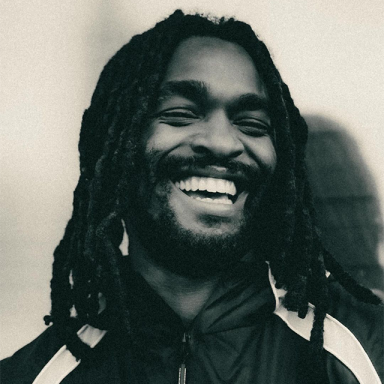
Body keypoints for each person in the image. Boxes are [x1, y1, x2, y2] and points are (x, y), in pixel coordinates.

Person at [1, 10, 382, 384]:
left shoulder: (367, 353)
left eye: (251, 124)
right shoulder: (34, 375)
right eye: (181, 114)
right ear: (116, 148)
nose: (221, 142)